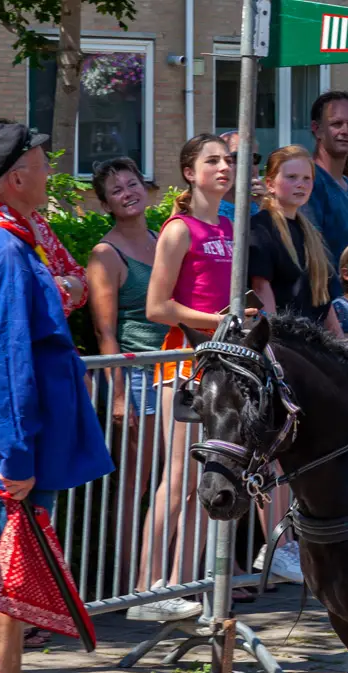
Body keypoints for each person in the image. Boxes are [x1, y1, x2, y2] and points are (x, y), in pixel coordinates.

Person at [0, 121, 113, 673]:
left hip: (17, 445)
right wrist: (14, 456)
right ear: (16, 178)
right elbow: (10, 358)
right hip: (12, 453)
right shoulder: (7, 249)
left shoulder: (14, 241)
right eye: (42, 164)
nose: (49, 173)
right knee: (8, 587)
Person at [142, 133, 248, 612]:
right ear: (190, 172)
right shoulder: (179, 229)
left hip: (222, 367)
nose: (224, 167)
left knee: (208, 478)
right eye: (213, 161)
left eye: (228, 159)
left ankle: (181, 586)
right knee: (179, 478)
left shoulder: (229, 225)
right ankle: (147, 586)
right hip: (184, 363)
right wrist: (222, 320)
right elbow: (157, 306)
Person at [85, 157, 167, 577]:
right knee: (137, 480)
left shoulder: (161, 238)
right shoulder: (106, 253)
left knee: (175, 479)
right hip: (138, 376)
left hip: (175, 373)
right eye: (116, 190)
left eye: (131, 183)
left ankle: (168, 573)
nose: (127, 193)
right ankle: (127, 577)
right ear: (106, 203)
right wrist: (118, 396)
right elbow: (106, 333)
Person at [249, 145, 341, 325]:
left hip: (311, 342)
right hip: (283, 342)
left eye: (307, 178)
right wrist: (273, 340)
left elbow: (323, 299)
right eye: (291, 177)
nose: (301, 184)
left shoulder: (311, 233)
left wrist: (341, 343)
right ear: (270, 184)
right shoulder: (260, 227)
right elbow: (261, 288)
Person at [303, 91, 348, 267]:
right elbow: (315, 254)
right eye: (336, 124)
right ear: (317, 129)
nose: (345, 131)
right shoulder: (309, 181)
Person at [216, 131, 264, 222]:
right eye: (237, 157)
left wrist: (264, 205)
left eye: (254, 158)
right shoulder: (207, 208)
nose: (248, 165)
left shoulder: (261, 204)